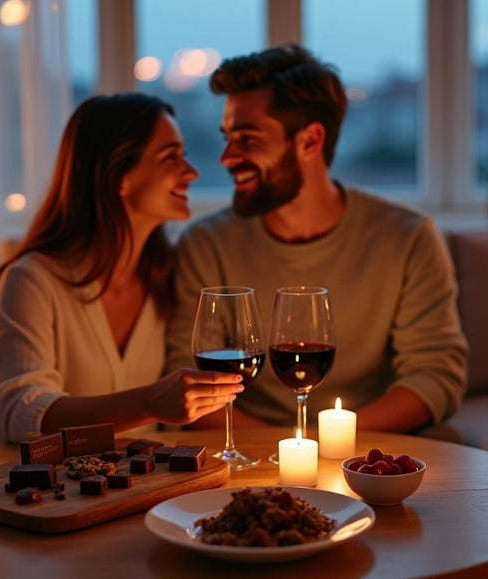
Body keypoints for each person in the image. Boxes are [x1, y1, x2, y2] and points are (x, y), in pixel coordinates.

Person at [165, 44, 468, 435]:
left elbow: (436, 374)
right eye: (227, 137)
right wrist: (281, 451)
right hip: (247, 450)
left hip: (366, 447)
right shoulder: (205, 244)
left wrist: (326, 444)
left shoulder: (406, 237)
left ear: (310, 140)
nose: (226, 157)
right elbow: (185, 377)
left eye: (247, 138)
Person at [0, 94, 244, 450]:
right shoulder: (33, 280)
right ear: (118, 177)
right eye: (169, 157)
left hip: (130, 484)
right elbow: (23, 417)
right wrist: (148, 403)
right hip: (19, 484)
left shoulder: (170, 274)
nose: (191, 172)